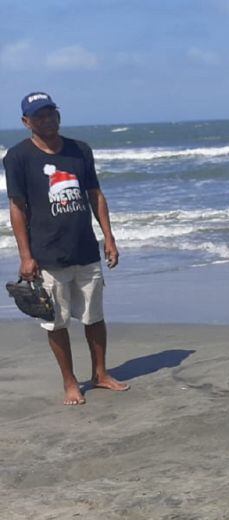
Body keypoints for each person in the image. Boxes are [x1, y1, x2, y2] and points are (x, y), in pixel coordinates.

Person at [3, 92, 128, 406]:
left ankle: (100, 374)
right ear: (26, 122)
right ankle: (70, 382)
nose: (48, 120)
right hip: (47, 254)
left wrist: (109, 237)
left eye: (51, 113)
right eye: (39, 116)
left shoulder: (80, 150)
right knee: (56, 322)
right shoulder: (17, 157)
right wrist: (26, 256)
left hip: (85, 248)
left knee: (94, 316)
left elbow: (95, 194)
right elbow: (17, 207)